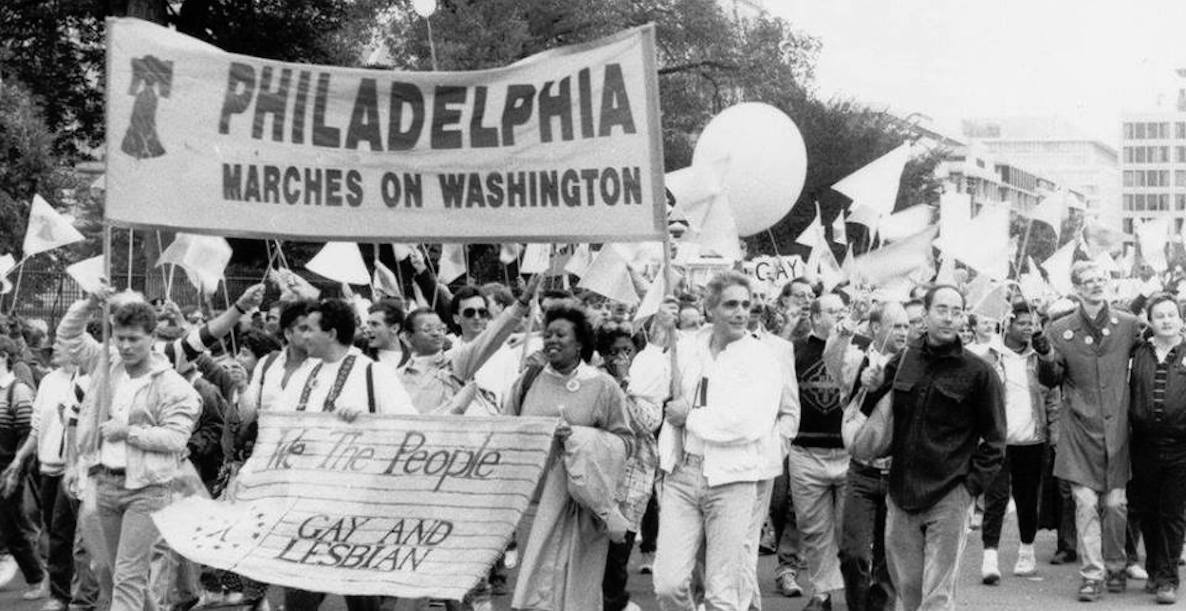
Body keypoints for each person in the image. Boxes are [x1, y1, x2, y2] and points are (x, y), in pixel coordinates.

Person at [652, 271, 795, 611]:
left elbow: (748, 423)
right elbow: (644, 386)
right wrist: (658, 336)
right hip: (682, 475)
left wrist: (690, 418)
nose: (741, 312)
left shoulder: (763, 358)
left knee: (723, 593)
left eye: (745, 305)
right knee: (668, 585)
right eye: (731, 305)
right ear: (710, 308)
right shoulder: (687, 347)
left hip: (733, 480)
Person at [858, 284, 1006, 610]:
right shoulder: (903, 360)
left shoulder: (980, 373)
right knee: (909, 591)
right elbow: (873, 413)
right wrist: (870, 384)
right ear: (925, 315)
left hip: (949, 493)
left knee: (937, 596)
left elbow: (996, 441)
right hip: (901, 493)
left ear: (964, 318)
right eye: (942, 310)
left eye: (956, 311)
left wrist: (969, 489)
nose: (949, 318)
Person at [58, 292, 202, 611]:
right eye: (120, 338)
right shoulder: (106, 362)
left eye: (134, 339)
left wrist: (128, 432)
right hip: (105, 484)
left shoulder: (172, 385)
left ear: (152, 337)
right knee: (122, 574)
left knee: (127, 575)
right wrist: (89, 304)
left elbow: (176, 439)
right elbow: (68, 336)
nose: (125, 346)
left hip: (147, 489)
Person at [276, 298, 416, 611]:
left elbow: (408, 426)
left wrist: (366, 424)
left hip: (356, 502)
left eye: (309, 329)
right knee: (297, 585)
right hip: (304, 500)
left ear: (331, 333)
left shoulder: (373, 373)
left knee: (358, 589)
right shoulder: (303, 375)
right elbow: (279, 424)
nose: (303, 336)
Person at [505, 303, 634, 610]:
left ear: (579, 343)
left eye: (560, 334)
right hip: (536, 501)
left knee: (577, 591)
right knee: (536, 587)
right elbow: (508, 430)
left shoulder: (603, 385)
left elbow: (625, 443)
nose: (552, 340)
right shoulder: (528, 381)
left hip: (583, 505)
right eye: (548, 334)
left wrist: (579, 438)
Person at [1036, 261, 1142, 601]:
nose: (1096, 284)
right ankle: (1092, 575)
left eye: (1100, 279)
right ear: (1076, 288)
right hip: (1080, 430)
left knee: (1116, 505)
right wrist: (1044, 355)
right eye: (1088, 280)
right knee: (1084, 505)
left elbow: (1148, 355)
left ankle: (1116, 565)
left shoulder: (1127, 324)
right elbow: (1051, 377)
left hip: (1117, 431)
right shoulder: (1060, 329)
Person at [3, 342, 91, 611]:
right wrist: (20, 459)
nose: (54, 352)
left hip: (75, 468)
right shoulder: (49, 381)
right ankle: (63, 591)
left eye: (61, 347)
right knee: (54, 532)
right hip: (48, 467)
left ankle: (71, 595)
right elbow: (36, 425)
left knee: (71, 535)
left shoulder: (88, 380)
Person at [977, 303, 1060, 584]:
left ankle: (1026, 551)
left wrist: (1046, 352)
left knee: (1028, 498)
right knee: (996, 498)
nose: (1028, 328)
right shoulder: (989, 357)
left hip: (1032, 439)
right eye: (1022, 323)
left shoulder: (1038, 356)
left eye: (1031, 324)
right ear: (1008, 324)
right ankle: (990, 556)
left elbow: (1053, 384)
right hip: (997, 440)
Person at [835, 302, 910, 611]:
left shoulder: (914, 362)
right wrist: (861, 382)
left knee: (887, 558)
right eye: (897, 326)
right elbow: (832, 359)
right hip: (861, 472)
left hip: (897, 473)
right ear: (877, 328)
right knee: (853, 554)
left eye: (907, 326)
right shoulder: (857, 357)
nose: (903, 332)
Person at [788, 293, 850, 611]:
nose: (839, 315)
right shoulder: (795, 352)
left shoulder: (856, 349)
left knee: (849, 529)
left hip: (848, 452)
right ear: (814, 317)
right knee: (813, 528)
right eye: (831, 311)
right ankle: (822, 593)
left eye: (842, 310)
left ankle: (855, 590)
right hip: (806, 452)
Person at [1128, 294, 1186, 604]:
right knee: (1147, 511)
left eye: (1171, 314)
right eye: (1159, 315)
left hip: (1180, 448)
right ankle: (1153, 569)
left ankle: (1168, 578)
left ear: (1180, 319)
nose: (1166, 320)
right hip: (1144, 445)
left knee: (1172, 514)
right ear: (1149, 321)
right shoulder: (1138, 352)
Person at [0, 335, 45, 601]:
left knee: (12, 525)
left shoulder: (18, 391)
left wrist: (16, 471)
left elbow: (27, 434)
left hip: (8, 467)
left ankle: (36, 577)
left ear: (4, 357)